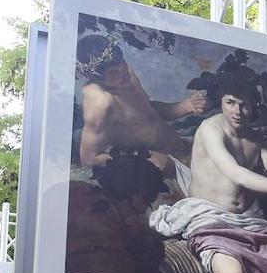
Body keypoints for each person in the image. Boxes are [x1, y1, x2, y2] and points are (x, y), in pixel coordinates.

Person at [149, 61, 267, 273]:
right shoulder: (210, 129)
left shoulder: (253, 138)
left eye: (244, 105)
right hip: (211, 217)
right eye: (230, 103)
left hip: (249, 221)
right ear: (221, 102)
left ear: (253, 106)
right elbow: (235, 173)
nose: (237, 111)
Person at [76, 34, 206, 173]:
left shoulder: (126, 75)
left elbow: (146, 113)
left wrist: (185, 106)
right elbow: (88, 159)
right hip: (169, 168)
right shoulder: (99, 103)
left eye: (123, 64)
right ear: (95, 77)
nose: (124, 73)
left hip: (182, 147)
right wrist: (140, 161)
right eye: (114, 73)